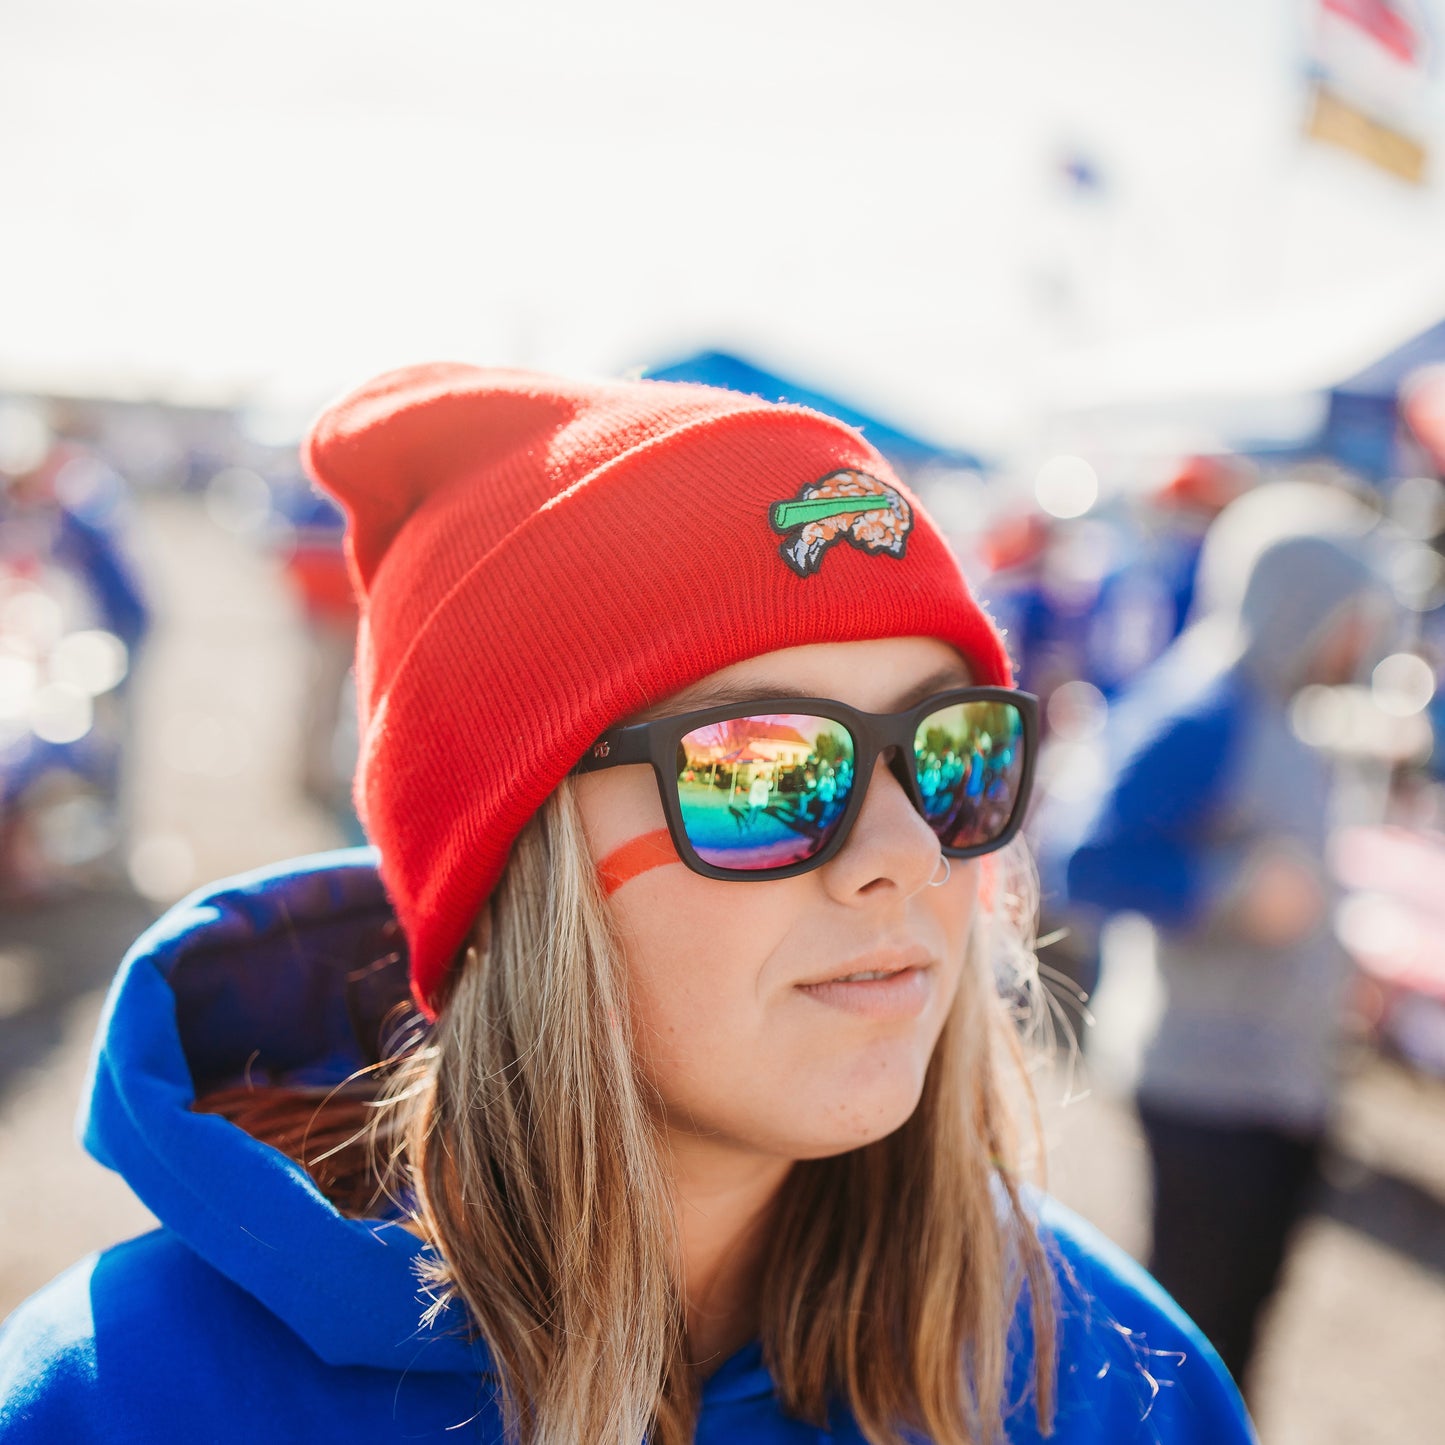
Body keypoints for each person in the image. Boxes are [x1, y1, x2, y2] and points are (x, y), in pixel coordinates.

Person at [0, 365, 1254, 1443]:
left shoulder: (1104, 1379)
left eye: (950, 750)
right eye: (762, 768)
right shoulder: (125, 1397)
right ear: (510, 875)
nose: (902, 854)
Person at [1047, 480, 1393, 1397]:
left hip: (1271, 1079)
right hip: (1207, 1091)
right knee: (1193, 1339)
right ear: (1301, 601)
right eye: (1351, 615)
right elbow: (1081, 861)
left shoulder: (1279, 706)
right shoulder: (1203, 707)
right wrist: (1231, 890)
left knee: (1238, 1327)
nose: (1360, 641)